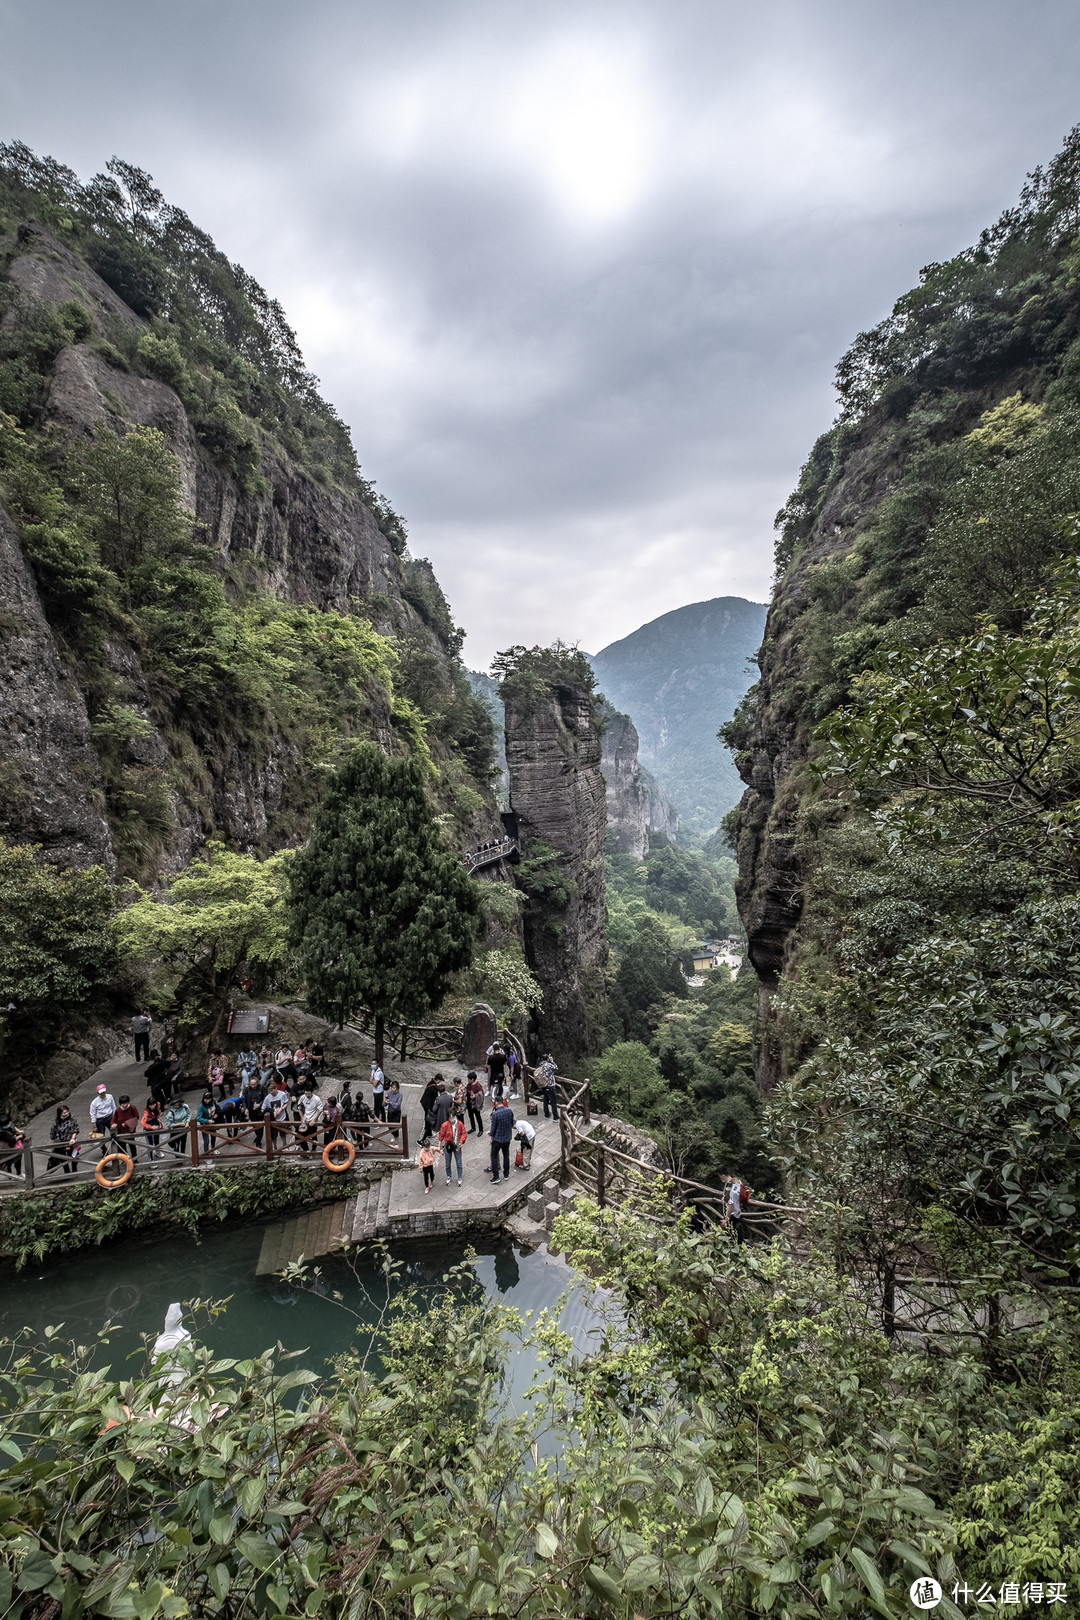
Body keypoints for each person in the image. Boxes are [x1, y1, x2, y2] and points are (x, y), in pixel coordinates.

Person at [488, 1095, 515, 1184]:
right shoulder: (509, 1111)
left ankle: (496, 1176)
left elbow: (493, 1128)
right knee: (506, 1155)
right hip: (507, 1138)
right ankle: (506, 1174)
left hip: (498, 1139)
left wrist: (491, 1137)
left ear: (496, 1102)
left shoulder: (495, 1114)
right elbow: (512, 1123)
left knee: (494, 1156)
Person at [48, 1105, 79, 1173]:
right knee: (62, 1158)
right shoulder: (56, 1122)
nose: (67, 1114)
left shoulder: (72, 1118)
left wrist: (73, 1138)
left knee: (74, 1156)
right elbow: (52, 1134)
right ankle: (67, 1172)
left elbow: (75, 1129)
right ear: (60, 1113)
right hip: (60, 1143)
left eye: (67, 1112)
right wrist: (53, 1144)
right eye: (64, 1113)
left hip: (71, 1141)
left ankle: (74, 1170)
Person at [439, 1110, 467, 1186]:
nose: (451, 1119)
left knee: (459, 1163)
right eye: (450, 1117)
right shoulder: (445, 1125)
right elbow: (441, 1135)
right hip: (448, 1145)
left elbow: (464, 1133)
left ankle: (459, 1178)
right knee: (447, 1164)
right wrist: (440, 1147)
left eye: (453, 1117)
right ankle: (449, 1177)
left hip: (457, 1145)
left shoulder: (460, 1124)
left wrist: (461, 1142)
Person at [89, 1083, 117, 1155]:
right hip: (100, 1120)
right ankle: (104, 1150)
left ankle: (116, 1147)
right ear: (98, 1093)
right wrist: (94, 1125)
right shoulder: (94, 1102)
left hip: (109, 1117)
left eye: (104, 1092)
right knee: (101, 1136)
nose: (103, 1093)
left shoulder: (110, 1097)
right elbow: (93, 1114)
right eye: (101, 1092)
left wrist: (115, 1118)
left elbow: (113, 1107)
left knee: (114, 1133)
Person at [111, 1094, 141, 1159]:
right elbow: (113, 1120)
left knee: (132, 1145)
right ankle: (125, 1160)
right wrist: (113, 1124)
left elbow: (137, 1117)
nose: (124, 1105)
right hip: (120, 1132)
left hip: (129, 1131)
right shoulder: (118, 1110)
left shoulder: (132, 1108)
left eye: (125, 1103)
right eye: (122, 1104)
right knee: (122, 1146)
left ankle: (134, 1159)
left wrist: (126, 1123)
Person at [296, 1083, 323, 1152]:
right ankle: (306, 1150)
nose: (307, 1095)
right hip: (305, 1119)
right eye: (306, 1094)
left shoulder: (317, 1099)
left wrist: (314, 1119)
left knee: (314, 1136)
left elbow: (320, 1110)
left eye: (308, 1094)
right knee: (302, 1136)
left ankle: (313, 1150)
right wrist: (301, 1117)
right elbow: (299, 1106)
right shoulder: (302, 1097)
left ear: (312, 1092)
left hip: (312, 1119)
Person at [725, 1175, 747, 1244]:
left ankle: (741, 1244)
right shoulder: (739, 1184)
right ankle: (741, 1243)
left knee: (731, 1231)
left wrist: (726, 1219)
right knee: (733, 1230)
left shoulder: (733, 1191)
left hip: (734, 1213)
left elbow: (730, 1206)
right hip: (737, 1212)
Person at [418, 1077, 440, 1142]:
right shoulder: (434, 1088)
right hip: (428, 1104)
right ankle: (428, 1131)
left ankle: (428, 1131)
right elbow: (436, 1098)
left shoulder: (430, 1083)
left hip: (424, 1102)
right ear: (437, 1079)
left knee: (426, 1115)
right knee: (429, 1117)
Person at [539, 1055, 560, 1120]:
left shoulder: (541, 1065)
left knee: (545, 1100)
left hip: (544, 1085)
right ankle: (556, 1117)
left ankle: (546, 1114)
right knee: (553, 1102)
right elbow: (556, 1068)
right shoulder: (549, 1065)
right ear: (548, 1059)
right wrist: (552, 1061)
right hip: (550, 1085)